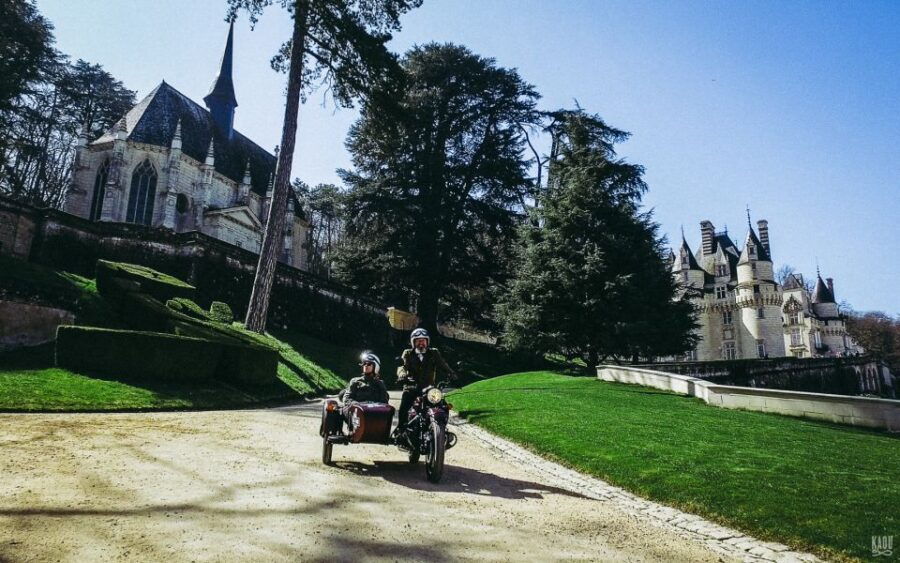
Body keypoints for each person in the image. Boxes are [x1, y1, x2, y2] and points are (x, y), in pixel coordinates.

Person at [395, 328, 456, 433]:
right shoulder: (408, 353)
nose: (421, 343)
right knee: (404, 406)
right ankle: (401, 430)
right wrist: (402, 375)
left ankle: (442, 428)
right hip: (411, 386)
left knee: (443, 405)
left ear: (427, 341)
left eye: (423, 340)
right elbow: (402, 367)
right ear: (413, 342)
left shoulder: (434, 352)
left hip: (429, 388)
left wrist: (452, 374)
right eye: (418, 341)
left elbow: (443, 365)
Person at [339, 351, 390, 426]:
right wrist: (357, 405)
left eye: (369, 364)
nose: (365, 366)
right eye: (364, 364)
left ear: (376, 367)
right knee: (336, 409)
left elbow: (384, 402)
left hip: (373, 413)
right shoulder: (355, 381)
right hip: (356, 411)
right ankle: (349, 432)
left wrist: (372, 406)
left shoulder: (380, 384)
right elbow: (347, 398)